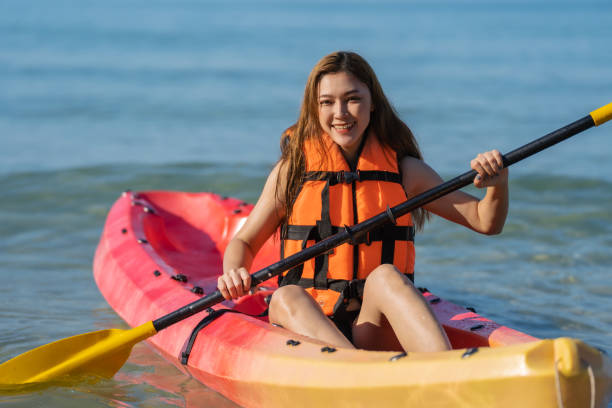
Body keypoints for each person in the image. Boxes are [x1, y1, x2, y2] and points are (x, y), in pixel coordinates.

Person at [218, 51, 508, 353]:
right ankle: (356, 373)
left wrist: (498, 184)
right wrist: (234, 272)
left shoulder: (404, 171)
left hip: (369, 327)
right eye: (327, 102)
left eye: (352, 99)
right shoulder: (293, 171)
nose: (340, 112)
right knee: (285, 296)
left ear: (373, 105)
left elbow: (484, 220)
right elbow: (246, 243)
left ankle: (449, 372)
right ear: (314, 110)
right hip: (309, 327)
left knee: (386, 276)